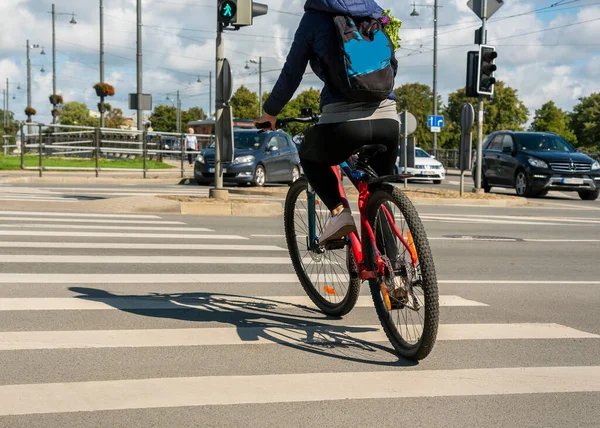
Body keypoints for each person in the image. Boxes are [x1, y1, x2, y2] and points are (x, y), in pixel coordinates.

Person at [254, 0, 399, 245]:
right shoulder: (375, 11)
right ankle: (395, 274)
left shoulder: (313, 18)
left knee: (309, 155)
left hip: (343, 123)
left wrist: (271, 112)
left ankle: (338, 214)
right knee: (379, 192)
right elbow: (391, 64)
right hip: (388, 119)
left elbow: (292, 72)